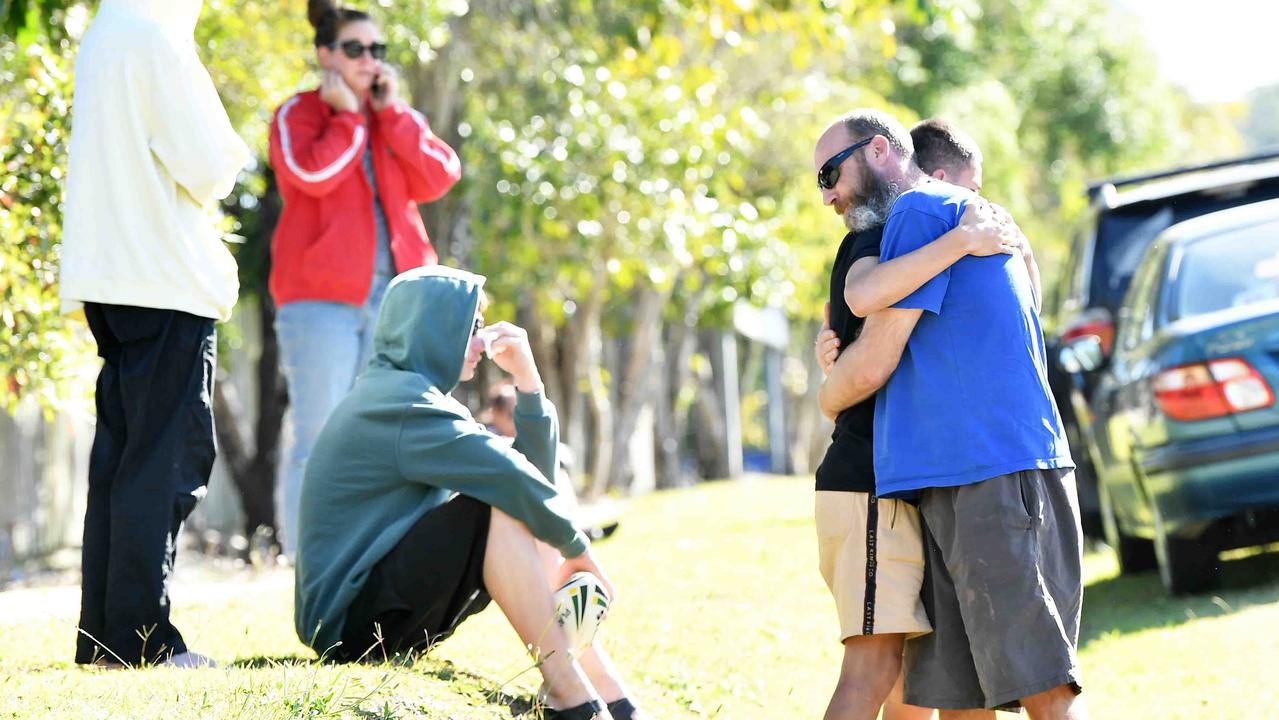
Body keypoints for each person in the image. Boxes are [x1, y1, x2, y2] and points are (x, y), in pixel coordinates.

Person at [816, 109, 1085, 719]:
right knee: (962, 698)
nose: (828, 194)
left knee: (1044, 684)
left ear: (881, 151)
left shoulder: (918, 210)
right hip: (965, 477)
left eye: (832, 173)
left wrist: (829, 392)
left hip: (990, 473)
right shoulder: (972, 223)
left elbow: (867, 320)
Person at [294, 266, 644, 720]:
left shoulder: (414, 395)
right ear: (432, 328)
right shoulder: (401, 402)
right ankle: (572, 693)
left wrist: (529, 384)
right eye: (472, 326)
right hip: (351, 626)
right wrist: (578, 549)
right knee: (498, 501)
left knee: (508, 500)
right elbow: (512, 479)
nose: (483, 343)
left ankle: (598, 688)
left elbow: (530, 476)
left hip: (373, 613)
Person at [60, 0, 250, 668]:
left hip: (110, 276)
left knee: (120, 462)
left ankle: (105, 639)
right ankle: (142, 639)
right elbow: (208, 166)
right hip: (161, 277)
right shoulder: (157, 35)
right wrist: (232, 147)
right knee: (163, 462)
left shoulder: (106, 30)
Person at [268, 0, 462, 556]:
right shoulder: (298, 116)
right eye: (355, 49)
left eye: (377, 50)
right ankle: (310, 568)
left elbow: (439, 174)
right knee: (319, 435)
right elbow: (311, 173)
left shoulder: (390, 116)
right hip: (319, 304)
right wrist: (348, 116)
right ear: (325, 53)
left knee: (393, 433)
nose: (369, 60)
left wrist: (393, 114)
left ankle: (378, 559)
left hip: (396, 302)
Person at [482, 384, 620, 542]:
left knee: (558, 471)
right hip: (508, 499)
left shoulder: (518, 435)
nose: (516, 421)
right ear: (495, 413)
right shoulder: (484, 434)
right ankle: (576, 533)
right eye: (511, 414)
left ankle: (575, 529)